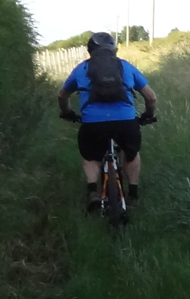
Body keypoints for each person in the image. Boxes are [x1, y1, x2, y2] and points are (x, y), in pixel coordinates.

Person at [57, 31, 157, 211]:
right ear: (114, 50)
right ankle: (133, 195)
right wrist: (148, 115)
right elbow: (151, 97)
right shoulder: (126, 66)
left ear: (90, 51)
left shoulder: (81, 68)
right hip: (125, 122)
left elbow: (62, 95)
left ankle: (93, 192)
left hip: (92, 124)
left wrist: (67, 112)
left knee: (90, 156)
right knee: (131, 153)